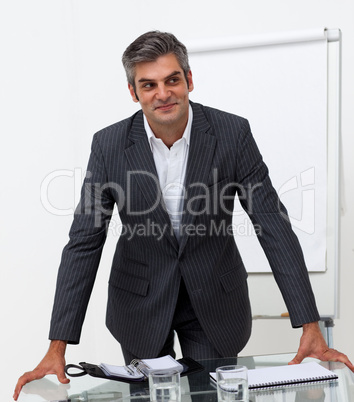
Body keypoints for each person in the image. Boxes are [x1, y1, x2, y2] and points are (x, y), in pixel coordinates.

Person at [14, 30, 354, 400]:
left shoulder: (231, 134)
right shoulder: (109, 145)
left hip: (214, 302)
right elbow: (84, 241)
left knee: (213, 397)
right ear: (134, 92)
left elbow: (271, 223)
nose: (163, 94)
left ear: (189, 80)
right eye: (149, 85)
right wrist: (57, 345)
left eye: (172, 79)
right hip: (139, 302)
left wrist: (309, 323)